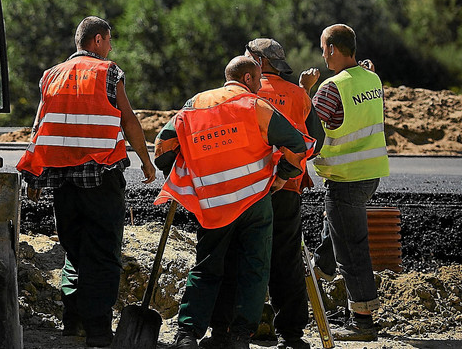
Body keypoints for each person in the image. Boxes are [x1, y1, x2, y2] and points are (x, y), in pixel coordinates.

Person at [16, 16, 156, 348]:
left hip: (63, 182)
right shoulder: (110, 72)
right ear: (97, 40)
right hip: (101, 178)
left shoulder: (50, 75)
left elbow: (40, 128)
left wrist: (35, 175)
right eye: (108, 41)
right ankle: (97, 331)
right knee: (103, 253)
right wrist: (146, 161)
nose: (110, 47)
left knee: (75, 251)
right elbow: (129, 119)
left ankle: (72, 324)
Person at [154, 56, 310, 349]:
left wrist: (182, 174)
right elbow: (297, 143)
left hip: (213, 202)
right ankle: (240, 337)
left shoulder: (195, 103)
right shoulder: (256, 106)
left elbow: (162, 147)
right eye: (259, 81)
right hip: (254, 200)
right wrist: (281, 177)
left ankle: (187, 335)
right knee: (254, 268)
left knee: (207, 265)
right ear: (249, 79)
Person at [203, 39, 322, 349]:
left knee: (235, 257)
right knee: (286, 259)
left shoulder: (238, 92)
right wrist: (287, 172)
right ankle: (292, 334)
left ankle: (225, 330)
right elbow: (314, 142)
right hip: (286, 189)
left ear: (255, 61)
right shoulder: (298, 94)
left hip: (244, 189)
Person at [300, 24, 388, 342]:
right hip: (369, 175)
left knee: (352, 250)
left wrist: (304, 91)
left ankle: (362, 322)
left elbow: (311, 131)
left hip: (345, 178)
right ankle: (320, 267)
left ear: (333, 49)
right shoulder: (371, 78)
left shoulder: (330, 88)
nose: (322, 54)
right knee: (337, 229)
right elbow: (361, 77)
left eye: (324, 48)